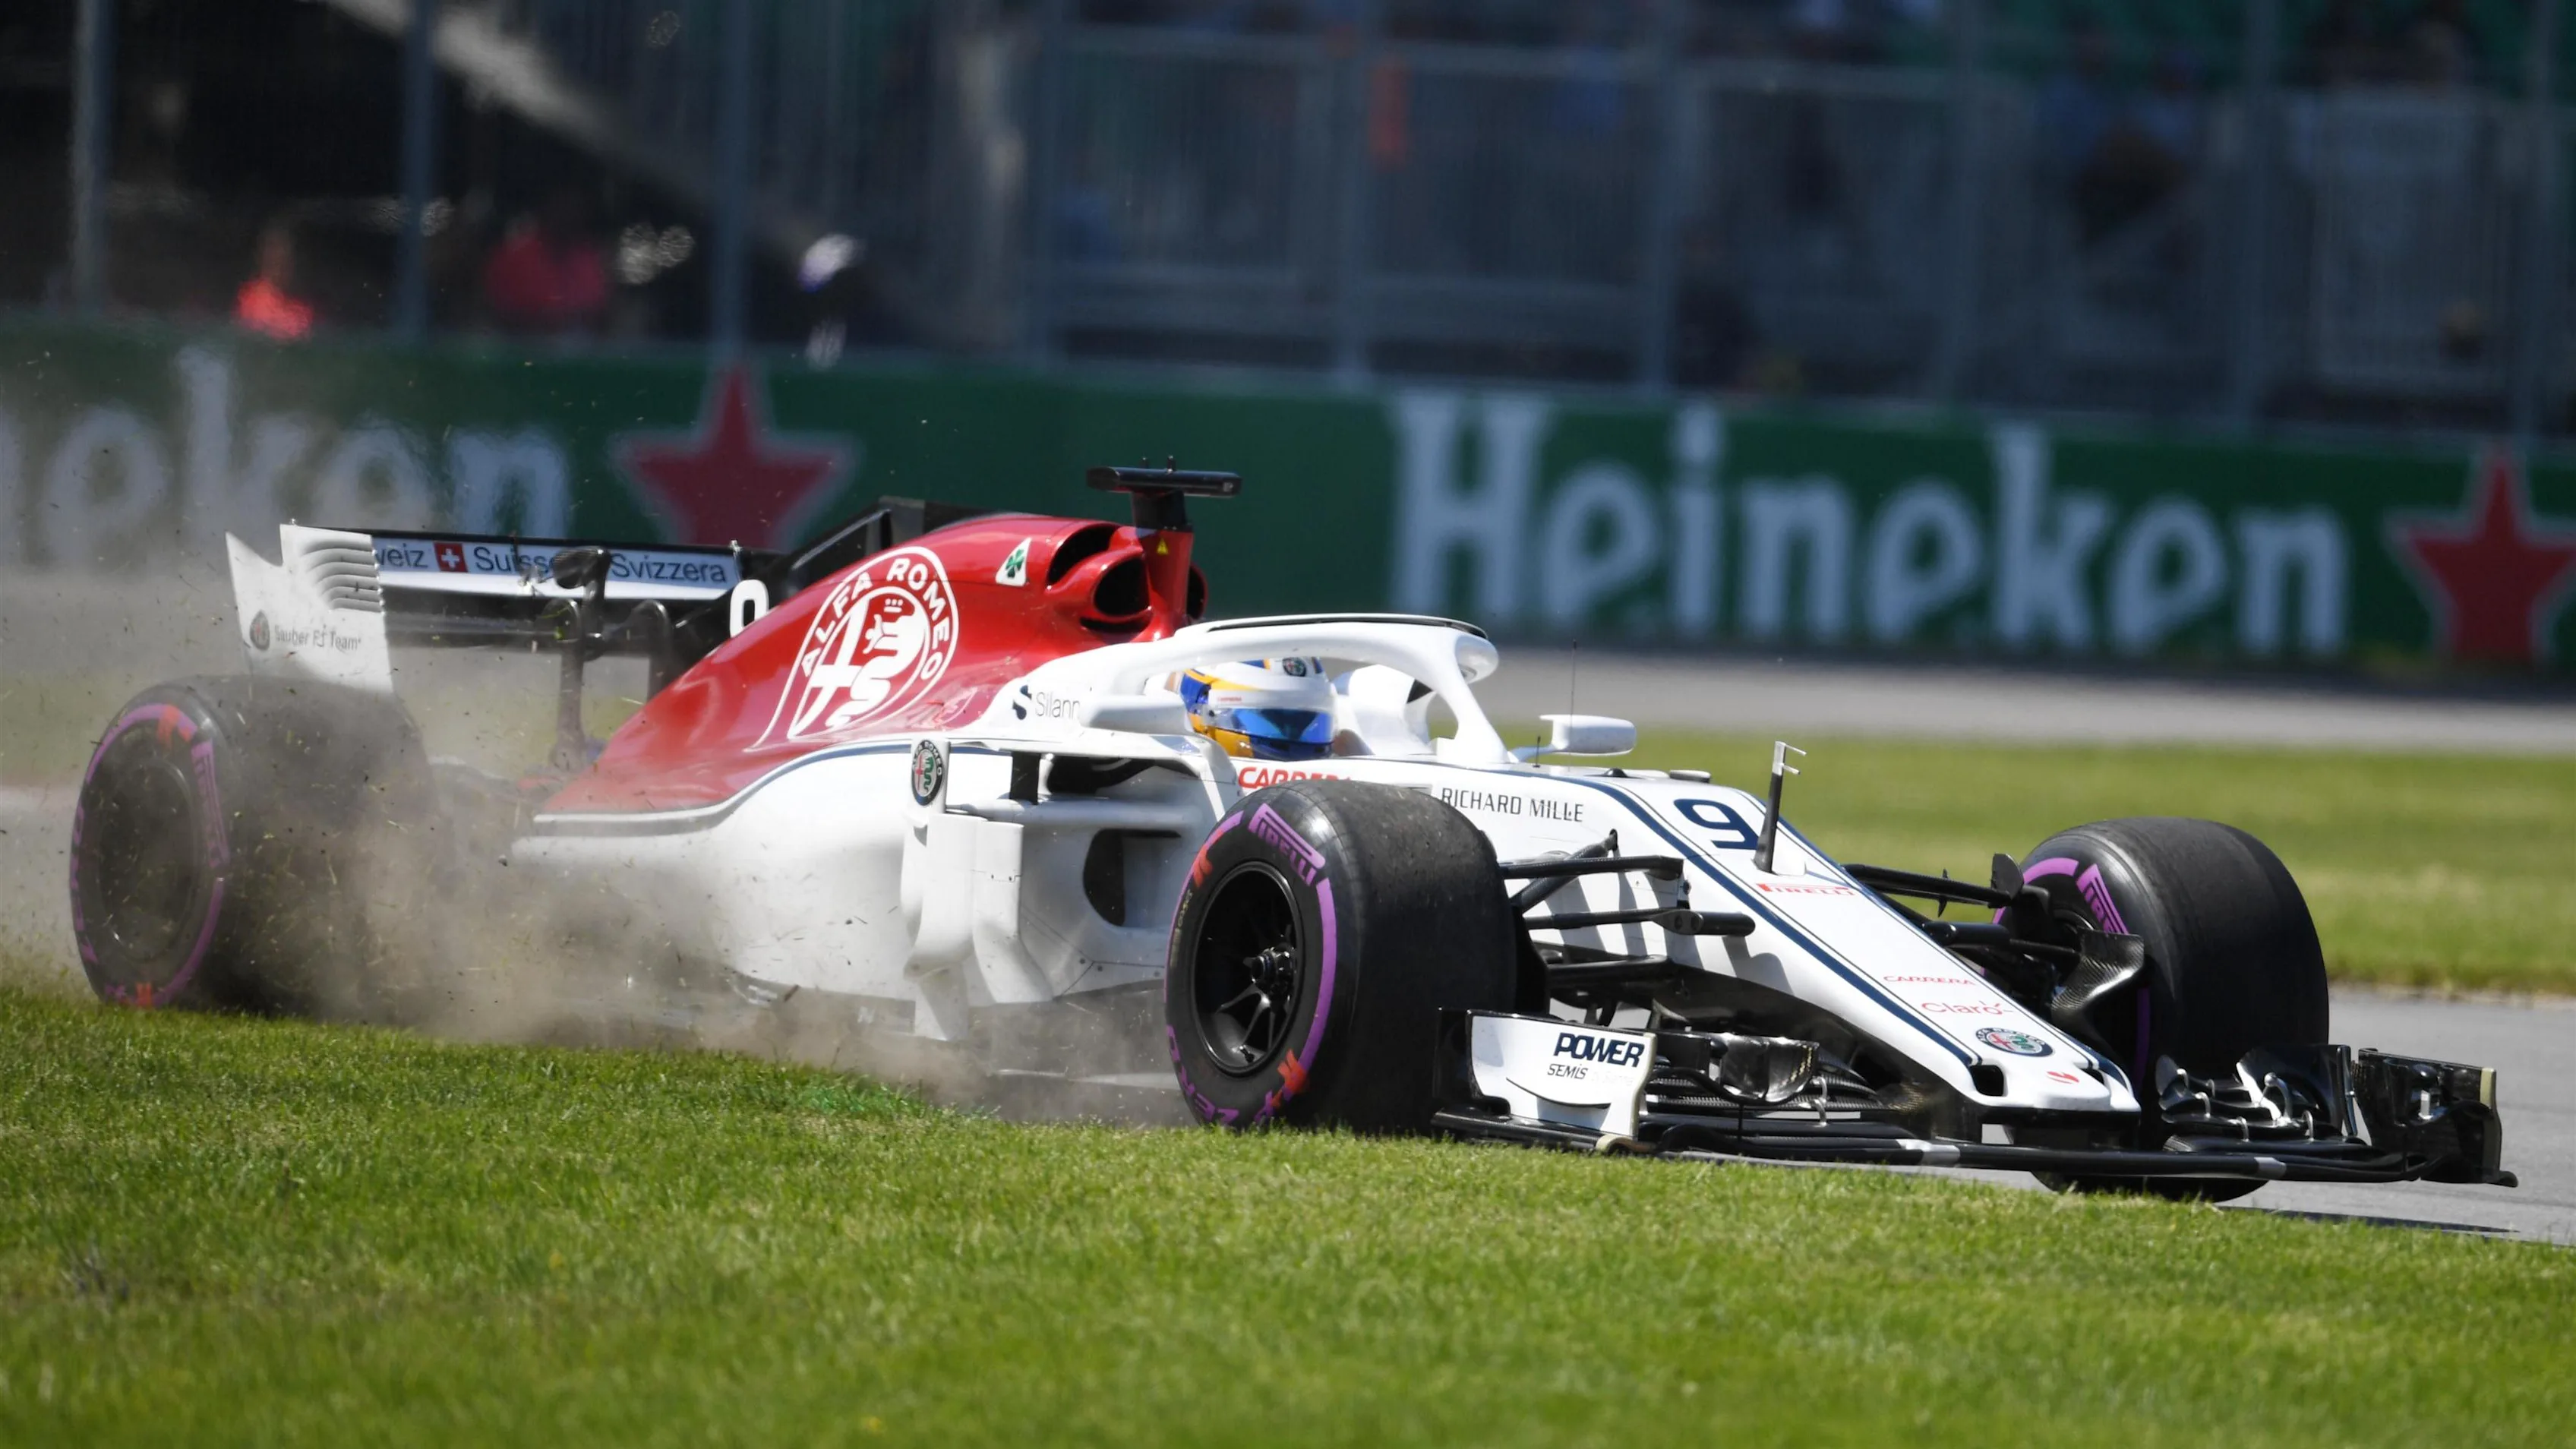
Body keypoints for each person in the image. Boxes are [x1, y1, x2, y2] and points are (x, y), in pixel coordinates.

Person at [481, 187, 610, 336]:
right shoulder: (514, 256)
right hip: (523, 345)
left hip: (581, 346)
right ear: (546, 207)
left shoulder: (589, 260)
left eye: (574, 208)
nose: (568, 216)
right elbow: (496, 313)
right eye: (562, 206)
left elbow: (602, 314)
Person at [234, 220, 316, 342]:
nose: (278, 256)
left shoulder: (301, 309)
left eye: (284, 250)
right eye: (273, 249)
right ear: (261, 257)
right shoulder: (252, 299)